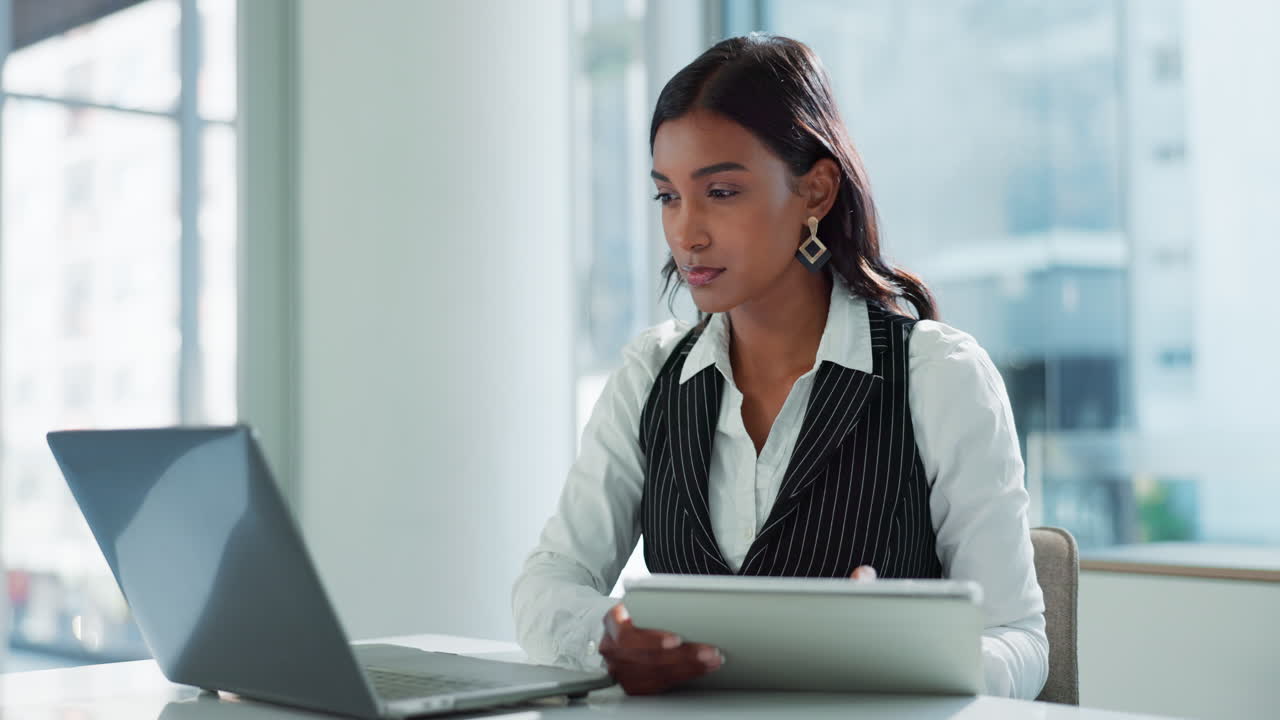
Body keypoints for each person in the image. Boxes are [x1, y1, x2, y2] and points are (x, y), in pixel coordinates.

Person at [511, 32, 1048, 700]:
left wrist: (910, 653)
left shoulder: (939, 376)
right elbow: (549, 581)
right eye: (668, 197)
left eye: (722, 192)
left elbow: (1022, 640)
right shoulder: (650, 374)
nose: (687, 232)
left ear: (816, 190)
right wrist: (609, 636)